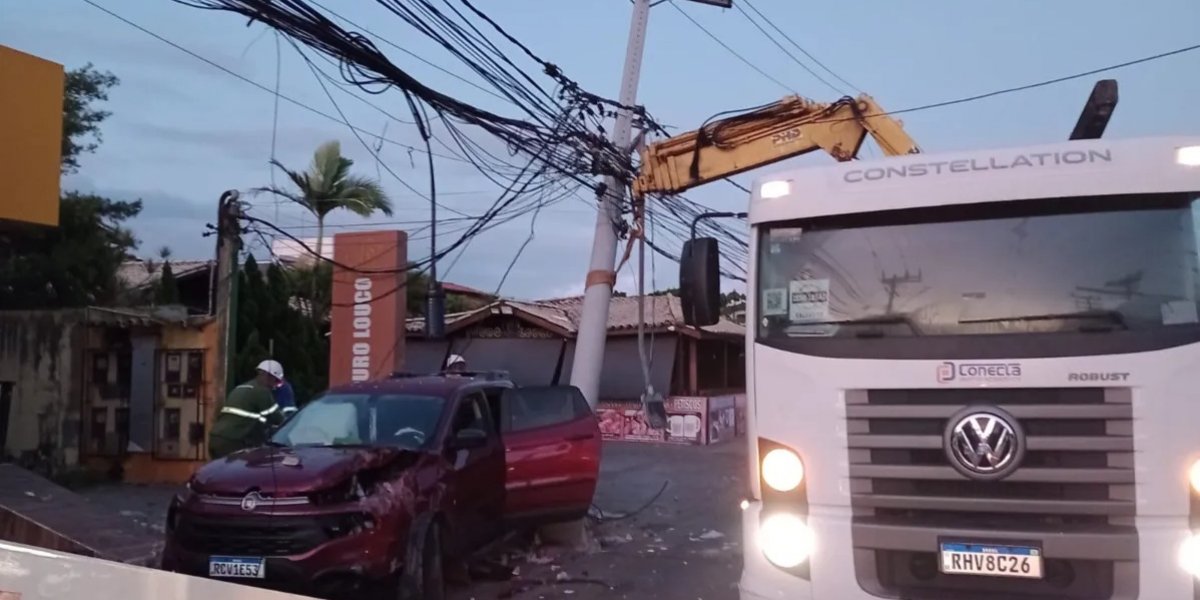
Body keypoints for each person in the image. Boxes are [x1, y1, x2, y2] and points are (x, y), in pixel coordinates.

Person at [208, 360, 285, 459]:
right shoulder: (262, 391)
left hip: (215, 438)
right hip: (232, 442)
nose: (275, 387)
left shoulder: (241, 388)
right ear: (270, 376)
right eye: (277, 382)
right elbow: (277, 419)